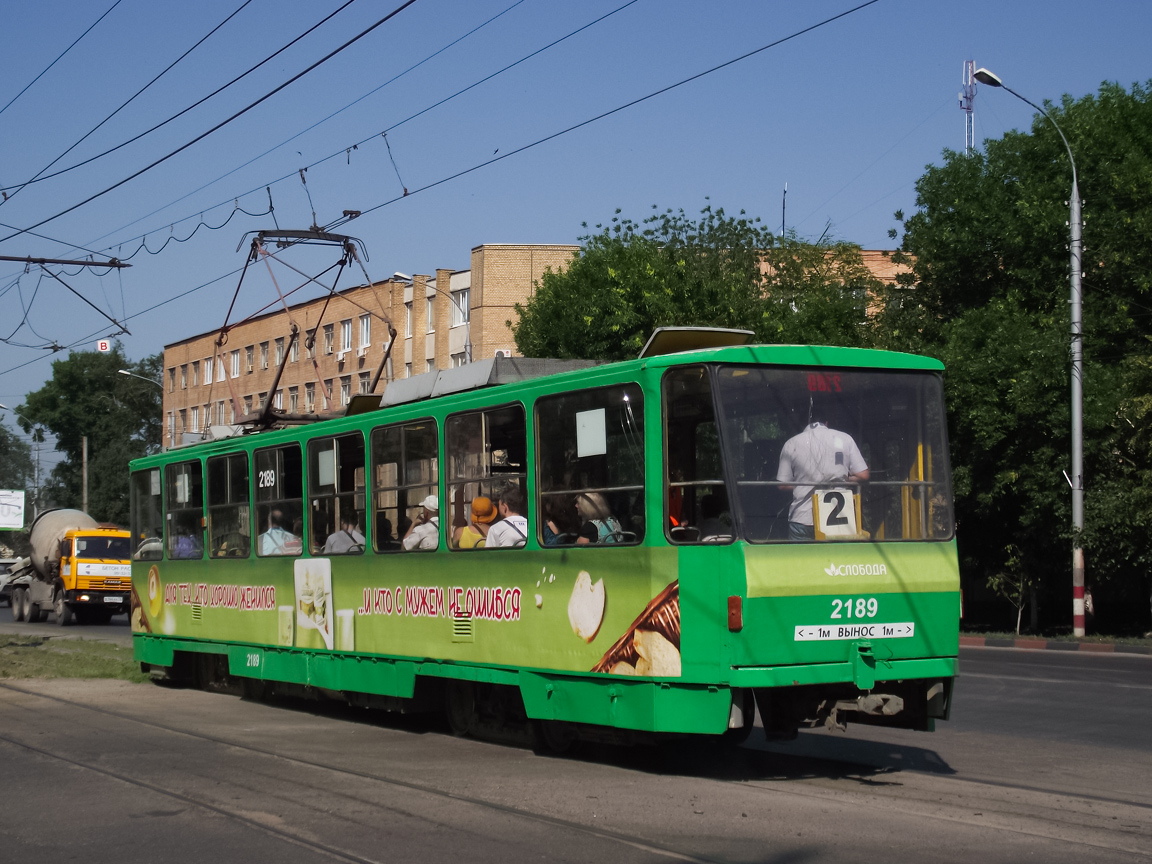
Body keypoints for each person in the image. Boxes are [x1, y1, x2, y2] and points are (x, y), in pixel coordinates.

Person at [776, 404, 869, 541]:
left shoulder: (791, 443)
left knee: (801, 561)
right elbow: (863, 475)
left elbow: (782, 485)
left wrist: (803, 484)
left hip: (803, 517)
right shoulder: (845, 439)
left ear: (803, 424)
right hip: (840, 518)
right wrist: (843, 479)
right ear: (826, 423)